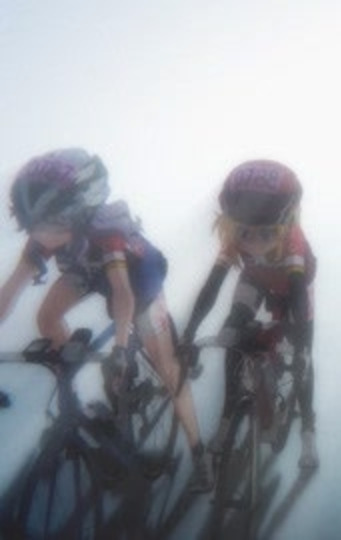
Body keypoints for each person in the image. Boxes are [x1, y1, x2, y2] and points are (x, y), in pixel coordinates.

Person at [0, 148, 212, 491]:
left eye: (50, 226)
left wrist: (120, 350)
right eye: (33, 226)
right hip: (89, 268)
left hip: (138, 278)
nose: (40, 236)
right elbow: (8, 293)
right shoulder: (47, 233)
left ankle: (199, 451)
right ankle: (78, 411)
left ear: (78, 214)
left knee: (167, 366)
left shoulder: (106, 232)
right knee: (47, 317)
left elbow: (124, 295)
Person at [180, 160, 319, 469]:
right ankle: (227, 416)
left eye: (266, 234)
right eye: (244, 233)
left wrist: (301, 349)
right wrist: (189, 332)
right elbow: (212, 287)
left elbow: (297, 294)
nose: (254, 243)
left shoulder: (294, 241)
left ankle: (308, 430)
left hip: (292, 287)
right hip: (256, 280)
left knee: (303, 359)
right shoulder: (235, 239)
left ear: (286, 223)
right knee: (232, 335)